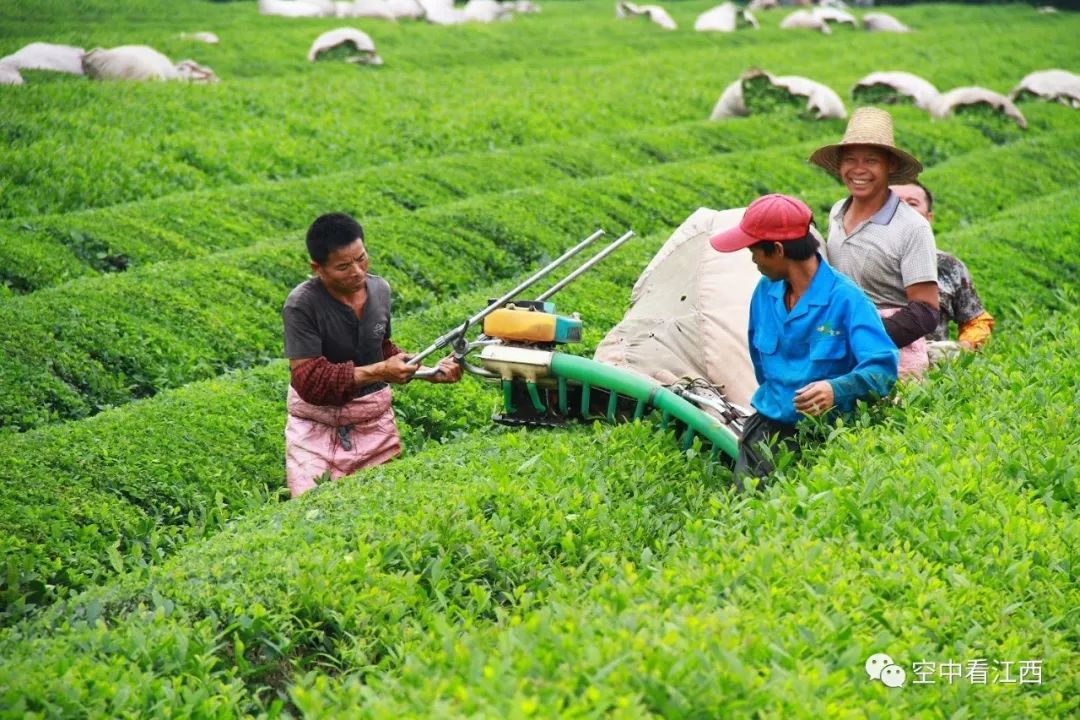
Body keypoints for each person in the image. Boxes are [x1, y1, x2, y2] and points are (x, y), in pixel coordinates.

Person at [710, 194, 899, 487]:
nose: (752, 260)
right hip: (765, 435)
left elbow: (883, 370)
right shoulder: (764, 292)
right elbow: (761, 366)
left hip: (828, 437)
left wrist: (836, 389)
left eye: (754, 251)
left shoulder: (847, 299)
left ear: (777, 249)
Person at [282, 212, 462, 498]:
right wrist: (380, 371)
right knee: (314, 511)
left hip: (374, 424)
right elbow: (309, 379)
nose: (357, 271)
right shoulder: (302, 305)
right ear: (317, 268)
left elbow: (379, 348)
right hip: (317, 432)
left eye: (361, 258)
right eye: (343, 266)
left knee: (379, 504)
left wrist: (427, 371)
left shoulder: (379, 290)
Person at [809, 107, 939, 379]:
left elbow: (926, 311)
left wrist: (866, 339)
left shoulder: (913, 227)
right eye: (850, 160)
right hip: (839, 350)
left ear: (889, 165)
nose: (858, 170)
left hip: (892, 358)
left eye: (871, 161)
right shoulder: (836, 212)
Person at [890, 181, 995, 353]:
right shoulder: (851, 261)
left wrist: (962, 348)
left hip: (931, 372)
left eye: (912, 203)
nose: (902, 209)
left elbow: (977, 320)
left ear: (928, 218)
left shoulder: (948, 266)